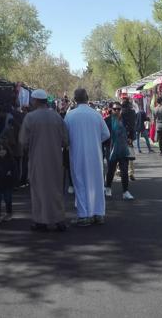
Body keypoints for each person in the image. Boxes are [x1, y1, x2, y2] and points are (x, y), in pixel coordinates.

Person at [19, 89, 69, 232]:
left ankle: (41, 220)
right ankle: (59, 219)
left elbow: (23, 141)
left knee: (38, 190)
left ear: (35, 101)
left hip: (37, 160)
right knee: (56, 189)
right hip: (55, 160)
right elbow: (65, 140)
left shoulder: (29, 118)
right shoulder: (57, 117)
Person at [64, 88, 111, 227]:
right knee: (97, 183)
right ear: (87, 97)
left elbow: (65, 137)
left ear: (75, 99)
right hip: (95, 154)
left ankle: (84, 215)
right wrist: (95, 140)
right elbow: (106, 134)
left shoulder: (70, 115)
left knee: (80, 183)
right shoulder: (96, 115)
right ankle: (99, 214)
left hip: (78, 153)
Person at [104, 102, 134, 201]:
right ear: (111, 110)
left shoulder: (125, 120)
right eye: (114, 109)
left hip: (123, 149)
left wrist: (130, 138)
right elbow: (103, 135)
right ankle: (108, 187)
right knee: (111, 170)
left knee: (124, 171)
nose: (116, 111)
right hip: (111, 148)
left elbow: (131, 130)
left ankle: (125, 191)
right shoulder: (107, 121)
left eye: (118, 109)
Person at [121, 98, 137, 180]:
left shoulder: (120, 112)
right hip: (129, 135)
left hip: (121, 136)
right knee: (130, 154)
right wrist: (131, 136)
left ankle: (118, 169)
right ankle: (131, 172)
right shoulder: (132, 112)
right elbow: (133, 124)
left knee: (119, 153)